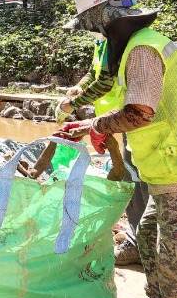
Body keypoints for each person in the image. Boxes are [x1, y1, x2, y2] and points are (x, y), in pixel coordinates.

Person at [56, 0, 177, 298]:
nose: (95, 35)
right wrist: (89, 121)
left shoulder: (142, 51)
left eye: (92, 26)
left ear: (102, 18)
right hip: (168, 167)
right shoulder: (132, 47)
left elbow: (138, 114)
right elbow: (105, 85)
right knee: (149, 235)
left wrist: (92, 124)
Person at [55, 17, 146, 267]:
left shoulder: (128, 45)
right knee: (132, 177)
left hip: (132, 119)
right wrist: (78, 87)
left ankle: (142, 244)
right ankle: (138, 240)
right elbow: (94, 73)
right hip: (123, 121)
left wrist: (72, 104)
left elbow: (105, 82)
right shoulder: (105, 45)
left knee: (139, 180)